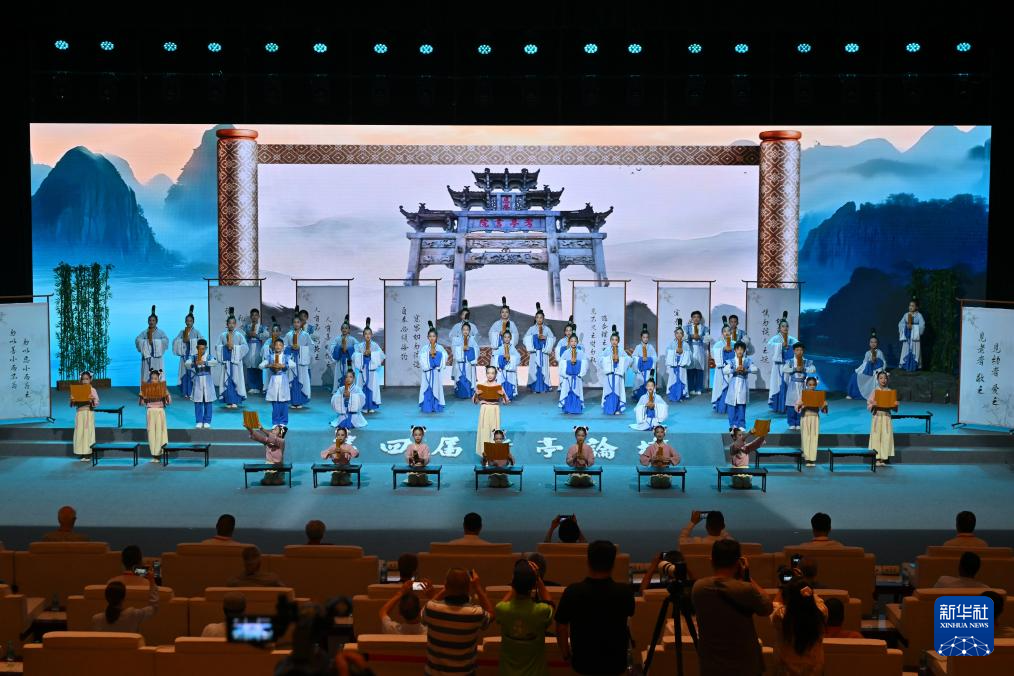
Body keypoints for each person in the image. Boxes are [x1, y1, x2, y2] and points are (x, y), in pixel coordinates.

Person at [692, 539, 774, 676]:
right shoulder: (746, 590)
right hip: (745, 667)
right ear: (738, 563)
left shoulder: (698, 587)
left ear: (712, 561)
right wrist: (748, 577)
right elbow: (767, 608)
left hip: (711, 666)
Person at [555, 541, 635, 676]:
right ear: (613, 563)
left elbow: (561, 626)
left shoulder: (572, 591)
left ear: (588, 561)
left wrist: (566, 655)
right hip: (615, 664)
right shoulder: (625, 592)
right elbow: (630, 613)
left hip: (583, 663)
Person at [421, 569, 494, 676]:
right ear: (468, 588)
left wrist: (445, 589)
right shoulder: (476, 613)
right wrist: (478, 587)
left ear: (446, 586)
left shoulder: (431, 608)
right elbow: (491, 614)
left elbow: (424, 612)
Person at [496, 560, 555, 675]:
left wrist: (515, 583)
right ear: (533, 585)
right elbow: (550, 603)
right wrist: (538, 579)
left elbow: (501, 605)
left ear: (513, 582)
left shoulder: (502, 610)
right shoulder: (541, 611)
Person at [771, 577, 828, 675]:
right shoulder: (821, 613)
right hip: (815, 670)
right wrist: (803, 583)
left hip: (787, 670)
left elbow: (775, 604)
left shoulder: (780, 616)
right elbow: (817, 600)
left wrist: (782, 587)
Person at [92, 577, 159, 632]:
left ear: (106, 598)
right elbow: (153, 607)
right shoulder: (133, 614)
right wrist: (152, 582)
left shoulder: (96, 619)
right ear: (123, 598)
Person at [214, 308, 249, 409]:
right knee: (227, 380)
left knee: (236, 380)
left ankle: (235, 400)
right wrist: (224, 347)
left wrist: (235, 348)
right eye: (229, 323)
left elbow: (245, 347)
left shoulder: (239, 335)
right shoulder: (222, 335)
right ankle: (228, 401)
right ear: (227, 324)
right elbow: (217, 346)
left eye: (233, 323)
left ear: (236, 324)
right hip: (227, 362)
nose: (231, 325)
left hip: (236, 363)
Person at [474, 365, 510, 456]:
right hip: (484, 409)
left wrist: (503, 395)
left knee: (494, 432)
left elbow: (506, 402)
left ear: (495, 374)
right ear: (486, 374)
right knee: (484, 431)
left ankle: (493, 455)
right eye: (488, 373)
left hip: (494, 410)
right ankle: (485, 455)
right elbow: (475, 402)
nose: (490, 375)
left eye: (492, 373)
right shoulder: (481, 386)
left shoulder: (498, 386)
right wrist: (476, 394)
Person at [260, 337, 296, 427]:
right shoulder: (270, 356)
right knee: (275, 402)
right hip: (274, 379)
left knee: (283, 402)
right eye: (276, 345)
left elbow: (293, 364)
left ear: (283, 347)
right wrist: (269, 365)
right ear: (273, 346)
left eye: (280, 345)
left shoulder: (286, 357)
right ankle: (275, 422)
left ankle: (283, 421)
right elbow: (261, 365)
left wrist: (283, 365)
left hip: (283, 379)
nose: (278, 347)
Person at [723, 341, 758, 432]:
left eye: (741, 349)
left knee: (741, 405)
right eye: (738, 349)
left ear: (744, 351)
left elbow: (755, 369)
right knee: (732, 406)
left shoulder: (747, 360)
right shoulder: (731, 361)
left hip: (742, 385)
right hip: (733, 386)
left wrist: (747, 370)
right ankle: (733, 425)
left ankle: (741, 424)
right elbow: (725, 371)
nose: (739, 351)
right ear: (734, 350)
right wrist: (734, 370)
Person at [782, 342, 817, 431]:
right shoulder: (790, 361)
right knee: (791, 404)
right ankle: (791, 422)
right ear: (794, 351)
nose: (799, 352)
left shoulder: (807, 361)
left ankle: (798, 422)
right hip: (793, 385)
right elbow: (784, 369)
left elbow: (813, 369)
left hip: (802, 385)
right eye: (797, 350)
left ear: (803, 351)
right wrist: (794, 369)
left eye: (801, 350)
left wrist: (804, 369)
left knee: (802, 404)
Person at [767, 311, 796, 415]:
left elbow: (798, 347)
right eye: (783, 326)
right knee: (777, 385)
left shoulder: (791, 339)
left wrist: (791, 347)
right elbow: (769, 346)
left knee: (787, 384)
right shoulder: (775, 338)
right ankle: (777, 406)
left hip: (787, 366)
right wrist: (780, 345)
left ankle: (787, 406)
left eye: (787, 326)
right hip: (778, 366)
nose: (785, 328)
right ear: (779, 328)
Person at [795, 376, 828, 467]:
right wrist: (802, 405)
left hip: (815, 418)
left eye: (813, 385)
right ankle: (806, 458)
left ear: (816, 385)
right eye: (810, 385)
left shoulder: (819, 395)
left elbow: (823, 410)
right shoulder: (803, 395)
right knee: (806, 438)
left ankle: (812, 459)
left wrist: (824, 405)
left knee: (814, 438)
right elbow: (796, 407)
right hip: (805, 417)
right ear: (806, 385)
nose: (812, 386)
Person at [284, 310, 314, 408]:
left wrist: (300, 348)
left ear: (301, 323)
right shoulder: (288, 335)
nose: (296, 324)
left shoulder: (306, 335)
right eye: (294, 322)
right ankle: (293, 401)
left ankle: (300, 401)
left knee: (302, 379)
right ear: (292, 324)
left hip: (301, 360)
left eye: (298, 322)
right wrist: (290, 348)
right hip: (292, 359)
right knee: (292, 380)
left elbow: (311, 347)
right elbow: (284, 346)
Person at [354, 317, 385, 413]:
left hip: (372, 372)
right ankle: (363, 406)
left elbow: (381, 355)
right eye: (366, 334)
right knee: (362, 388)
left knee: (372, 389)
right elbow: (354, 356)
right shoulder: (359, 346)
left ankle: (371, 406)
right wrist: (362, 355)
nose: (367, 335)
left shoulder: (375, 345)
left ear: (371, 335)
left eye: (369, 334)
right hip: (363, 371)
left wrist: (372, 354)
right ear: (363, 335)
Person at [523, 302, 555, 394]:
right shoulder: (531, 329)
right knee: (534, 369)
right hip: (535, 352)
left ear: (543, 318)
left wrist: (546, 338)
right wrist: (534, 338)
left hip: (543, 353)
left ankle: (544, 387)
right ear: (535, 318)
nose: (539, 319)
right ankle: (534, 387)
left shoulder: (547, 329)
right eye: (537, 317)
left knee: (544, 369)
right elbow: (525, 339)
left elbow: (553, 339)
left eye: (541, 317)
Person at [139, 369, 170, 463]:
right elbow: (142, 404)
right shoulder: (147, 388)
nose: (153, 380)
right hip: (150, 411)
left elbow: (169, 402)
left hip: (159, 411)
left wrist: (166, 395)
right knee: (151, 433)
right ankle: (154, 454)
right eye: (152, 378)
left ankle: (159, 453)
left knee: (159, 432)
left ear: (158, 379)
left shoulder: (162, 388)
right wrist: (142, 397)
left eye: (155, 378)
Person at [867, 370, 897, 466]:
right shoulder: (875, 391)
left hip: (886, 417)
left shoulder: (890, 391)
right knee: (876, 437)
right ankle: (877, 458)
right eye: (881, 378)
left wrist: (895, 404)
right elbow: (868, 405)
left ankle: (883, 458)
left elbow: (895, 409)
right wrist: (873, 404)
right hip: (877, 416)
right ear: (877, 379)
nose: (883, 380)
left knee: (886, 436)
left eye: (885, 378)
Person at [185, 338, 217, 428]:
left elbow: (215, 362)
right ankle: (199, 420)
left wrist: (205, 362)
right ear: (197, 348)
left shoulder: (208, 357)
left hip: (207, 380)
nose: (201, 350)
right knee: (198, 401)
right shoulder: (193, 357)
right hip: (198, 380)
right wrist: (194, 364)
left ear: (206, 348)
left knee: (208, 401)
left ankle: (207, 420)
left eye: (203, 349)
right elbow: (187, 364)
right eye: (199, 348)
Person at [846, 329, 886, 400]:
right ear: (869, 343)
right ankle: (851, 394)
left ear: (877, 343)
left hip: (877, 370)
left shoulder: (879, 352)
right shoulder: (867, 353)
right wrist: (869, 363)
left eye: (875, 342)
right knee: (854, 376)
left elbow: (884, 362)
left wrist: (881, 371)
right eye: (871, 342)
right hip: (867, 370)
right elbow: (864, 363)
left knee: (877, 377)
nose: (873, 344)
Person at [172, 305, 201, 400]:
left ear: (193, 322)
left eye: (190, 321)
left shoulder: (196, 332)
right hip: (184, 356)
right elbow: (175, 341)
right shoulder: (182, 332)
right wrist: (182, 341)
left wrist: (191, 341)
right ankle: (185, 392)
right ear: (185, 322)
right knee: (184, 374)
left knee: (192, 373)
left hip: (192, 357)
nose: (189, 322)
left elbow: (201, 341)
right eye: (187, 321)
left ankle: (192, 392)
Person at [135, 305, 169, 385]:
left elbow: (166, 341)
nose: (151, 322)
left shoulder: (161, 332)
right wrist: (146, 343)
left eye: (153, 320)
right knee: (146, 373)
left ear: (156, 322)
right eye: (150, 320)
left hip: (157, 358)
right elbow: (137, 340)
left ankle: (159, 389)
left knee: (158, 373)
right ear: (148, 321)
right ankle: (146, 389)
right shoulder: (144, 332)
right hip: (147, 357)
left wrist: (154, 343)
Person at [419, 322, 449, 413]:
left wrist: (438, 354)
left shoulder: (440, 348)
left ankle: (436, 406)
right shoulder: (424, 348)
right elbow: (420, 358)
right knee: (426, 388)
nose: (432, 338)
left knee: (436, 388)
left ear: (436, 337)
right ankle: (427, 407)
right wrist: (428, 355)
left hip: (436, 372)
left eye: (434, 336)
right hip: (427, 372)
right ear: (427, 337)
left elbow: (445, 356)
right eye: (430, 336)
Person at [599, 325, 630, 415]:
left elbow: (629, 359)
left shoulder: (621, 350)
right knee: (609, 391)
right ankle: (608, 409)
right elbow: (600, 359)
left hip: (617, 374)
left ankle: (617, 408)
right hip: (609, 374)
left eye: (616, 340)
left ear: (618, 341)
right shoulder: (607, 350)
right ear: (610, 340)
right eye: (612, 340)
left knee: (617, 391)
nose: (614, 341)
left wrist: (620, 359)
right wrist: (609, 359)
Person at [638, 424, 681, 488]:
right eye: (657, 432)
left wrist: (668, 459)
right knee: (656, 483)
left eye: (661, 432)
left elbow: (677, 457)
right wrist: (651, 459)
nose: (659, 434)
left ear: (664, 434)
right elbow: (642, 458)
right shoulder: (650, 447)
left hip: (666, 470)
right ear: (654, 434)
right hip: (654, 470)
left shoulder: (668, 447)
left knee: (665, 483)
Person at [71, 370, 99, 461]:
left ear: (90, 379)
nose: (85, 381)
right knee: (80, 432)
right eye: (83, 379)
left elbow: (96, 403)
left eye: (87, 379)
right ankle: (81, 452)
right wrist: (72, 400)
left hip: (88, 412)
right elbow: (72, 404)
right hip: (79, 413)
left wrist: (92, 400)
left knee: (88, 432)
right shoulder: (78, 389)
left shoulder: (92, 390)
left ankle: (88, 453)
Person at [558, 333, 589, 415]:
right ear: (569, 342)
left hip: (577, 377)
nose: (573, 343)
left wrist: (578, 364)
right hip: (568, 377)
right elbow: (561, 363)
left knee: (577, 392)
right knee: (567, 392)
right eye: (571, 341)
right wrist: (568, 363)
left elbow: (585, 364)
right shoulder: (565, 352)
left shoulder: (581, 353)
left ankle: (576, 409)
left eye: (575, 341)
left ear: (577, 342)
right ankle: (568, 409)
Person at [328, 315, 359, 392]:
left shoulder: (352, 339)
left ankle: (351, 390)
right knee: (339, 374)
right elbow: (332, 347)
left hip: (349, 361)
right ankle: (339, 391)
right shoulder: (337, 339)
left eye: (346, 328)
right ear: (341, 329)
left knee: (349, 375)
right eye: (343, 328)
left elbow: (358, 348)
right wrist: (339, 348)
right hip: (340, 360)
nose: (344, 329)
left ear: (349, 330)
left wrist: (349, 349)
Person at [242, 308, 269, 394]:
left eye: (256, 315)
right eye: (252, 315)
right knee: (249, 367)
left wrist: (257, 335)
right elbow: (242, 336)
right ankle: (251, 386)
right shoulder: (247, 327)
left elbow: (267, 335)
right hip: (249, 347)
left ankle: (258, 386)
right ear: (250, 317)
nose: (254, 317)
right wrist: (248, 335)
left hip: (258, 347)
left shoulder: (262, 327)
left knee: (258, 366)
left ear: (258, 316)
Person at [711, 321, 735, 415]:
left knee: (731, 388)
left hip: (731, 370)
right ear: (722, 333)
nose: (727, 333)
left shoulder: (734, 344)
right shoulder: (718, 344)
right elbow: (713, 355)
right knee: (721, 388)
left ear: (731, 332)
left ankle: (731, 407)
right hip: (721, 370)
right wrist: (723, 349)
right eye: (724, 331)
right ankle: (721, 407)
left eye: (728, 331)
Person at [685, 310, 711, 396]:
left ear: (700, 318)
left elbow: (707, 339)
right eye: (694, 317)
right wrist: (691, 336)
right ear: (691, 318)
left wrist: (700, 337)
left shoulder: (705, 328)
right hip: (690, 349)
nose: (696, 319)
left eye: (698, 317)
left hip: (700, 350)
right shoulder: (686, 327)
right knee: (690, 369)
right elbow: (683, 337)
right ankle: (691, 388)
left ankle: (699, 388)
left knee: (699, 370)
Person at [664, 322, 692, 403]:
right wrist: (675, 351)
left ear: (683, 335)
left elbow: (689, 354)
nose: (679, 335)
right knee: (673, 379)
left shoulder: (685, 344)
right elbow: (667, 352)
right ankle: (673, 395)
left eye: (680, 333)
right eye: (677, 333)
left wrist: (683, 352)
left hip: (682, 366)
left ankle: (681, 395)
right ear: (675, 334)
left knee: (682, 379)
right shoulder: (671, 344)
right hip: (674, 365)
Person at [630, 324, 658, 400]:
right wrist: (640, 359)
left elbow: (655, 358)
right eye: (644, 337)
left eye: (647, 337)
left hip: (648, 370)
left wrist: (648, 359)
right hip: (640, 370)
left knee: (648, 383)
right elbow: (634, 357)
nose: (645, 339)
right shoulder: (638, 347)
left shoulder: (651, 347)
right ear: (641, 337)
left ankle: (649, 397)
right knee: (639, 383)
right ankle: (639, 397)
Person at [492, 330, 522, 401]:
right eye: (505, 337)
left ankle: (509, 396)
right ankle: (502, 396)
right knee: (502, 382)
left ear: (511, 338)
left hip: (510, 371)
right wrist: (502, 358)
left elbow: (518, 357)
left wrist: (510, 358)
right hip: (502, 370)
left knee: (510, 382)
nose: (507, 339)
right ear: (502, 338)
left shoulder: (513, 348)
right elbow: (495, 356)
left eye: (508, 337)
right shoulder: (500, 348)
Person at [452, 321, 478, 399]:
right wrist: (461, 349)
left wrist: (470, 349)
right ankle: (460, 393)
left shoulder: (472, 339)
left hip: (468, 363)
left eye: (467, 329)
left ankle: (468, 393)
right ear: (461, 330)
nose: (465, 331)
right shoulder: (457, 339)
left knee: (469, 377)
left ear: (469, 331)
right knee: (459, 376)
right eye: (464, 329)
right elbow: (454, 349)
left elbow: (477, 349)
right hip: (459, 363)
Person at [898, 296, 925, 371]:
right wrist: (905, 326)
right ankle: (905, 365)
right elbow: (900, 323)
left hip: (915, 337)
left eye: (913, 306)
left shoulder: (919, 315)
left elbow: (922, 325)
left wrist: (913, 327)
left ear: (916, 307)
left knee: (915, 350)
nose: (910, 307)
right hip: (907, 335)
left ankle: (915, 366)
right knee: (906, 349)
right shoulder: (906, 315)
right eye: (910, 305)